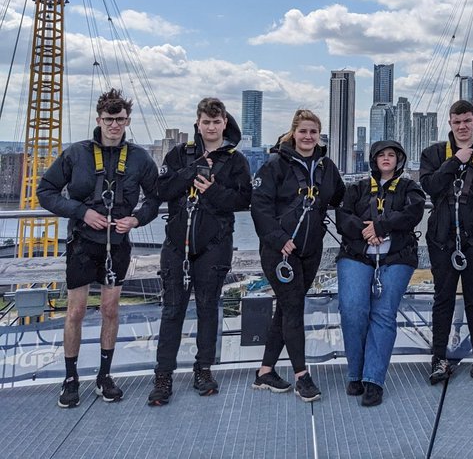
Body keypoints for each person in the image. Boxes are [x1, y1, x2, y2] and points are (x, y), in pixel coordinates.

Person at [37, 88, 160, 408]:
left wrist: (136, 219)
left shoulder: (139, 158)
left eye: (120, 120)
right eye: (109, 119)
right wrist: (81, 212)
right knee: (75, 312)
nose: (115, 125)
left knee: (110, 310)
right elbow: (45, 191)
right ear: (98, 119)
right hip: (82, 244)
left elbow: (156, 198)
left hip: (117, 245)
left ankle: (104, 377)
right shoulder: (76, 154)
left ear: (127, 121)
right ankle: (70, 378)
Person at [147, 97, 252, 406]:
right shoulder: (180, 154)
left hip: (215, 245)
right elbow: (161, 190)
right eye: (205, 122)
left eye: (216, 122)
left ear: (224, 124)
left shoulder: (236, 161)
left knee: (208, 308)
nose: (210, 127)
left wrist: (213, 189)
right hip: (177, 245)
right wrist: (191, 173)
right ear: (198, 123)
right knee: (172, 310)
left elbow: (244, 200)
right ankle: (163, 375)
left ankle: (203, 369)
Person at [251, 109, 345, 402]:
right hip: (280, 252)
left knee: (287, 310)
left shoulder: (325, 166)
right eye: (303, 131)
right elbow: (260, 207)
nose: (308, 137)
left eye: (313, 132)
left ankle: (265, 371)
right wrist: (280, 240)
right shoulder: (275, 164)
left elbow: (341, 196)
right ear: (293, 132)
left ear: (319, 135)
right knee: (292, 309)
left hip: (310, 251)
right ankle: (302, 376)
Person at [336, 140, 425, 407]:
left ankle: (374, 379)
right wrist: (366, 232)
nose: (386, 159)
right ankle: (356, 373)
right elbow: (342, 217)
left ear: (399, 160)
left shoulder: (410, 188)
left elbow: (413, 213)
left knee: (384, 313)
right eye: (381, 155)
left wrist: (380, 227)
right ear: (373, 160)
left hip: (397, 257)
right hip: (357, 254)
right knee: (352, 310)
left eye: (392, 155)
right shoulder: (357, 188)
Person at [419, 100, 473, 387]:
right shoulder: (434, 153)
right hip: (442, 239)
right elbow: (430, 186)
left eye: (467, 121)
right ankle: (439, 358)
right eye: (457, 122)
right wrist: (456, 161)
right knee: (443, 298)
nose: (463, 127)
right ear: (450, 124)